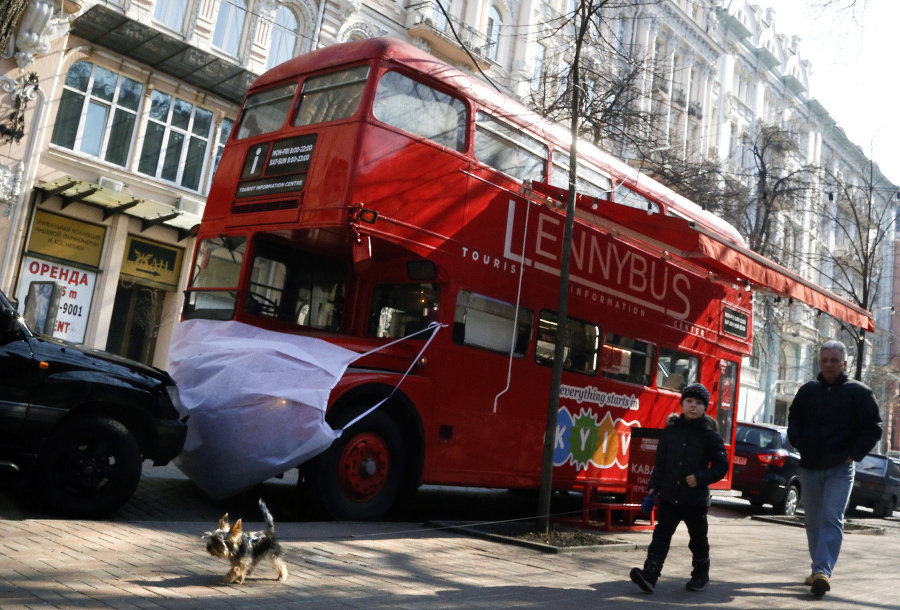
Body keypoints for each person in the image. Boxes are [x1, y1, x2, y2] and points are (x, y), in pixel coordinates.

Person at [787, 340, 882, 597]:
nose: (828, 365)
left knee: (831, 518)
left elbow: (873, 428)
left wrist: (854, 454)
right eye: (824, 360)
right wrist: (796, 441)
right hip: (810, 466)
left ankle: (822, 572)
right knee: (812, 521)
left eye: (834, 361)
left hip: (841, 468)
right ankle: (818, 568)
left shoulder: (860, 393)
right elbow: (793, 418)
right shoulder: (808, 391)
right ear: (819, 362)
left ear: (845, 363)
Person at [629, 382, 728, 593]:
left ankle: (701, 574)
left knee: (698, 539)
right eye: (689, 401)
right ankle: (650, 575)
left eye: (699, 403)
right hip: (669, 496)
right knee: (661, 536)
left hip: (695, 500)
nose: (693, 406)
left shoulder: (710, 435)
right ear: (682, 404)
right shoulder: (670, 432)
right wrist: (653, 489)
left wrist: (700, 478)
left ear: (705, 407)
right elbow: (660, 463)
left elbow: (722, 467)